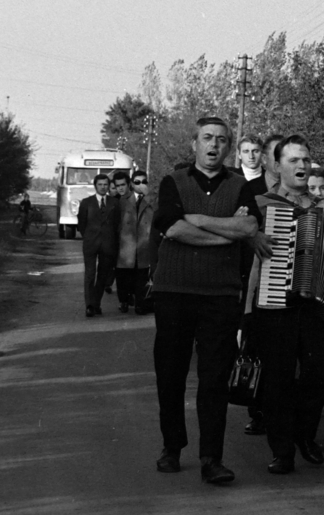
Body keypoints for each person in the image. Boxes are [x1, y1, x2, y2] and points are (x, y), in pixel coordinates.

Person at [150, 117, 267, 484]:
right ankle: (172, 447)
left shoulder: (239, 186)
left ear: (229, 146)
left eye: (221, 140)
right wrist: (225, 234)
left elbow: (250, 228)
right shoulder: (174, 182)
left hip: (219, 295)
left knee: (215, 378)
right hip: (175, 293)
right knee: (170, 373)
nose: (213, 146)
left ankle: (211, 459)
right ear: (194, 144)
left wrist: (197, 219)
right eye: (207, 139)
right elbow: (171, 226)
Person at [247, 135, 324, 475]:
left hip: (315, 305)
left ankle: (304, 432)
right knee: (277, 378)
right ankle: (282, 449)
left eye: (305, 160)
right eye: (292, 161)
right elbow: (248, 257)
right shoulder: (263, 204)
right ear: (276, 166)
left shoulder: (323, 207)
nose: (301, 166)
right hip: (273, 302)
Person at [77, 172, 121, 317]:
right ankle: (89, 305)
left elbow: (117, 225)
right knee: (90, 274)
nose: (103, 187)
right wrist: (89, 237)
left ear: (109, 186)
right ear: (95, 186)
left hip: (108, 244)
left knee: (103, 276)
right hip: (91, 244)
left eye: (105, 185)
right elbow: (82, 224)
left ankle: (96, 304)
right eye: (100, 185)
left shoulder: (114, 203)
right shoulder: (86, 203)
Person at [115, 170, 156, 313]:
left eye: (144, 182)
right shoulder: (123, 200)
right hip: (127, 243)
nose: (141, 185)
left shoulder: (152, 199)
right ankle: (124, 301)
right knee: (124, 276)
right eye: (137, 182)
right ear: (132, 184)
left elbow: (158, 213)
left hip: (144, 243)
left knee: (141, 275)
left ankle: (140, 303)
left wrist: (149, 196)